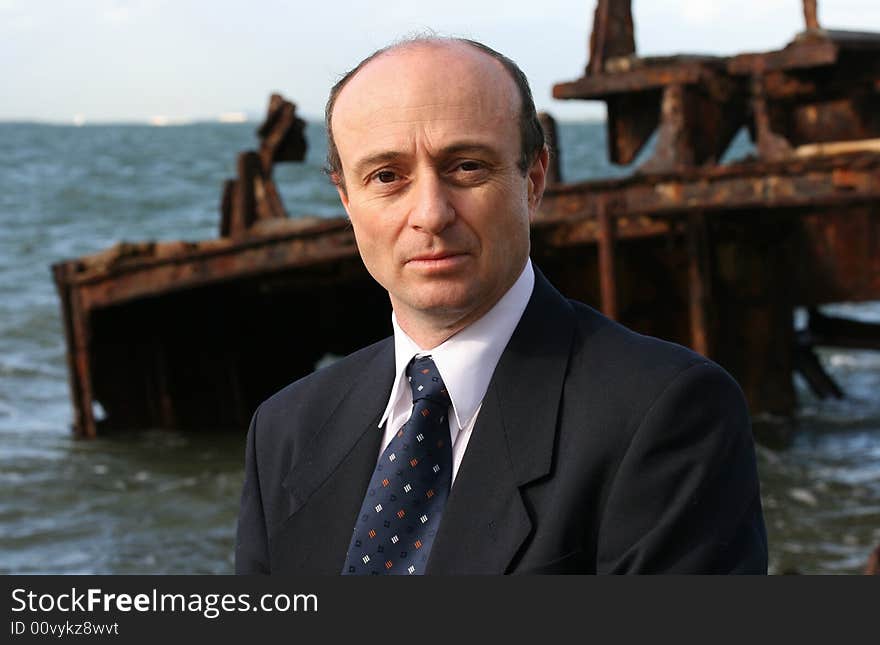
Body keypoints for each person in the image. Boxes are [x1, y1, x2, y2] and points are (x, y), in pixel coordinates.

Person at [234, 36, 768, 574]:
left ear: (533, 180)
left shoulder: (668, 414)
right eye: (387, 177)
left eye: (466, 167)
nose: (431, 214)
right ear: (347, 201)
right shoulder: (285, 430)